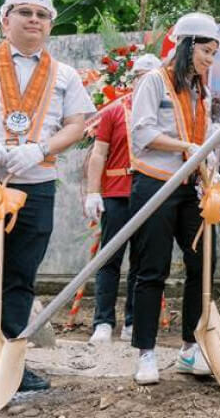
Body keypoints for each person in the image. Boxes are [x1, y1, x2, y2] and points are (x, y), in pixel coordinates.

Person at [0, 0, 95, 391]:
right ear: (6, 20)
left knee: (20, 273)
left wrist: (39, 150)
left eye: (42, 15)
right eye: (24, 12)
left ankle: (10, 364)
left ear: (50, 25)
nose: (33, 20)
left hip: (36, 185)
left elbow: (77, 124)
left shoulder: (64, 74)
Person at [129, 13, 220, 385]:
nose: (209, 60)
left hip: (190, 188)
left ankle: (190, 347)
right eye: (205, 51)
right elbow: (142, 133)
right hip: (155, 184)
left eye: (214, 53)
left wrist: (209, 160)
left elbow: (206, 135)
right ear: (186, 46)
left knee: (202, 263)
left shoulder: (202, 90)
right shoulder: (154, 82)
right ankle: (146, 353)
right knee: (152, 269)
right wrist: (187, 146)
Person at [85, 53, 162, 345]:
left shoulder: (164, 111)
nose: (146, 82)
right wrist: (94, 191)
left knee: (144, 261)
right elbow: (99, 153)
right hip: (117, 193)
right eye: (141, 75)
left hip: (151, 194)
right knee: (110, 258)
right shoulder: (114, 111)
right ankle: (103, 321)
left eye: (152, 76)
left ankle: (134, 320)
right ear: (134, 79)